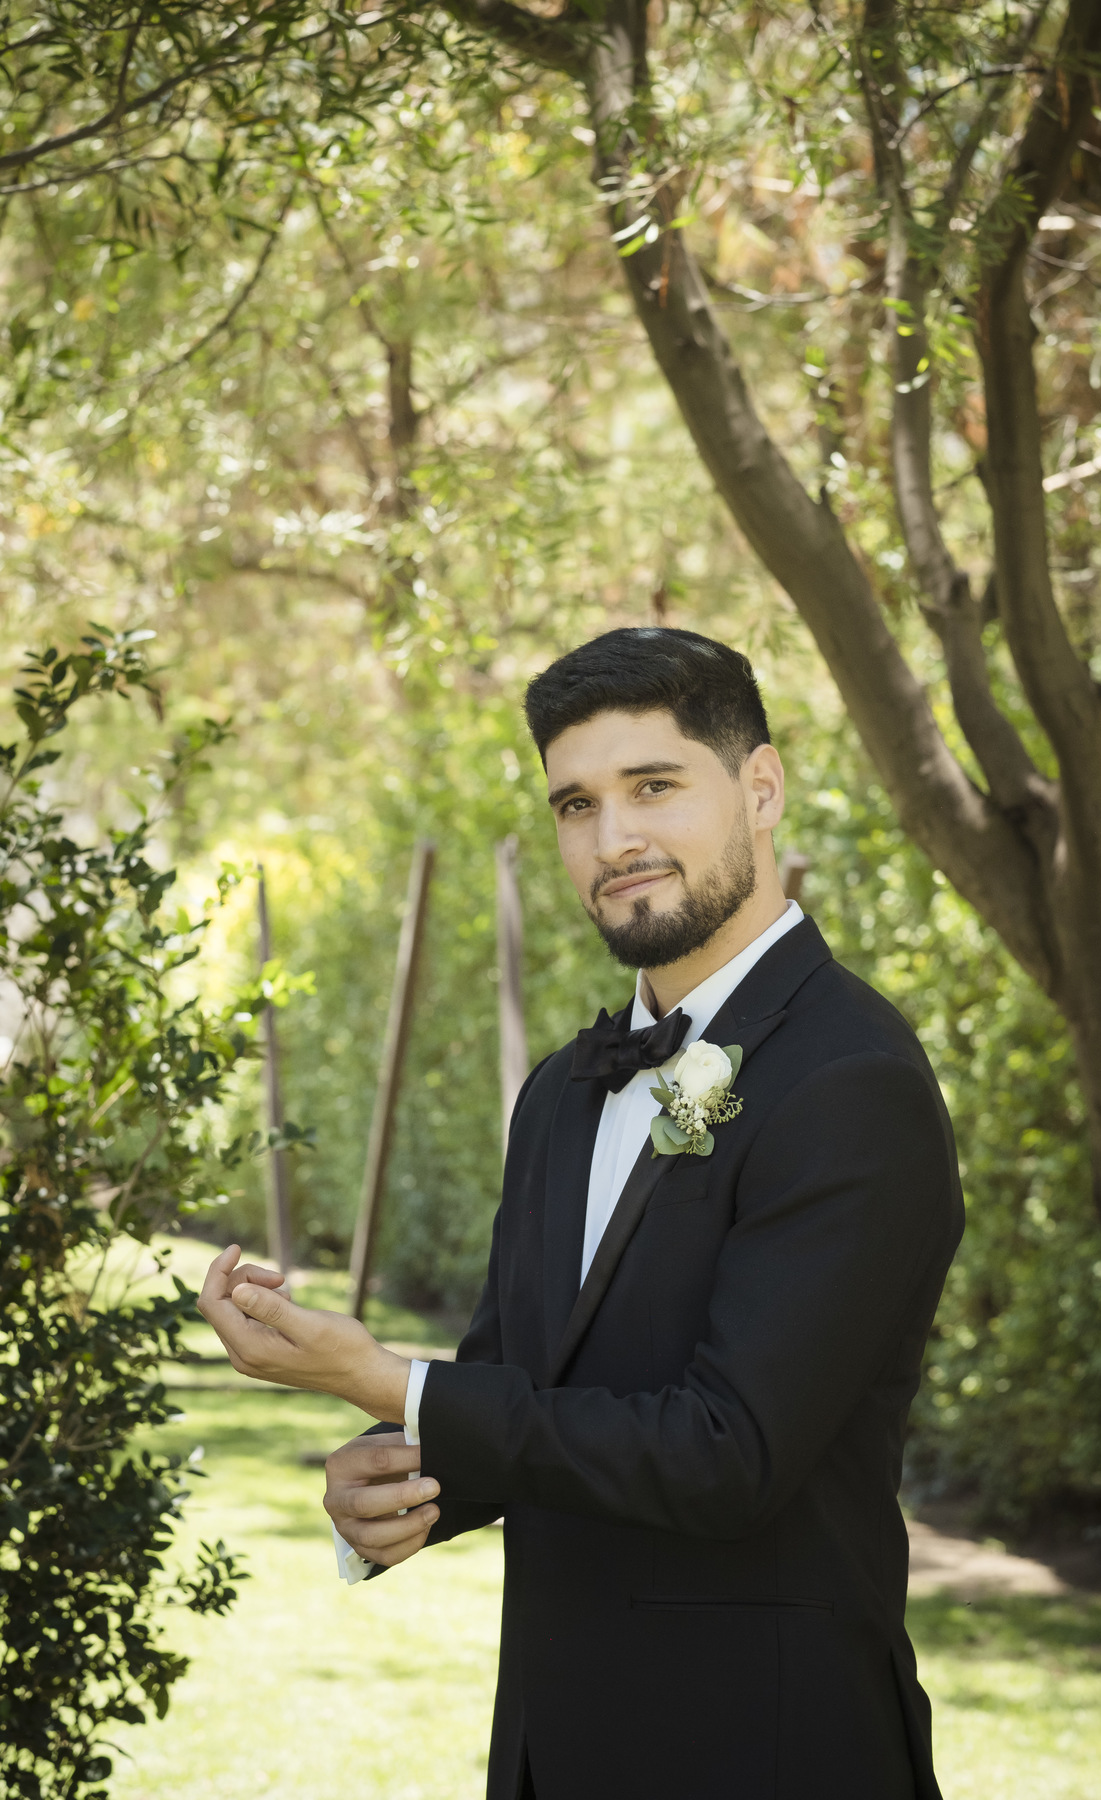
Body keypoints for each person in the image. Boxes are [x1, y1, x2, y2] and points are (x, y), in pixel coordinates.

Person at [199, 626, 963, 1800]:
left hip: (771, 1752)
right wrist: (392, 1481)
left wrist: (391, 1382)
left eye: (654, 786)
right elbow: (525, 1396)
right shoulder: (563, 1091)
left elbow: (730, 1453)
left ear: (761, 789)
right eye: (576, 805)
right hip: (554, 1752)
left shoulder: (850, 1078)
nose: (615, 841)